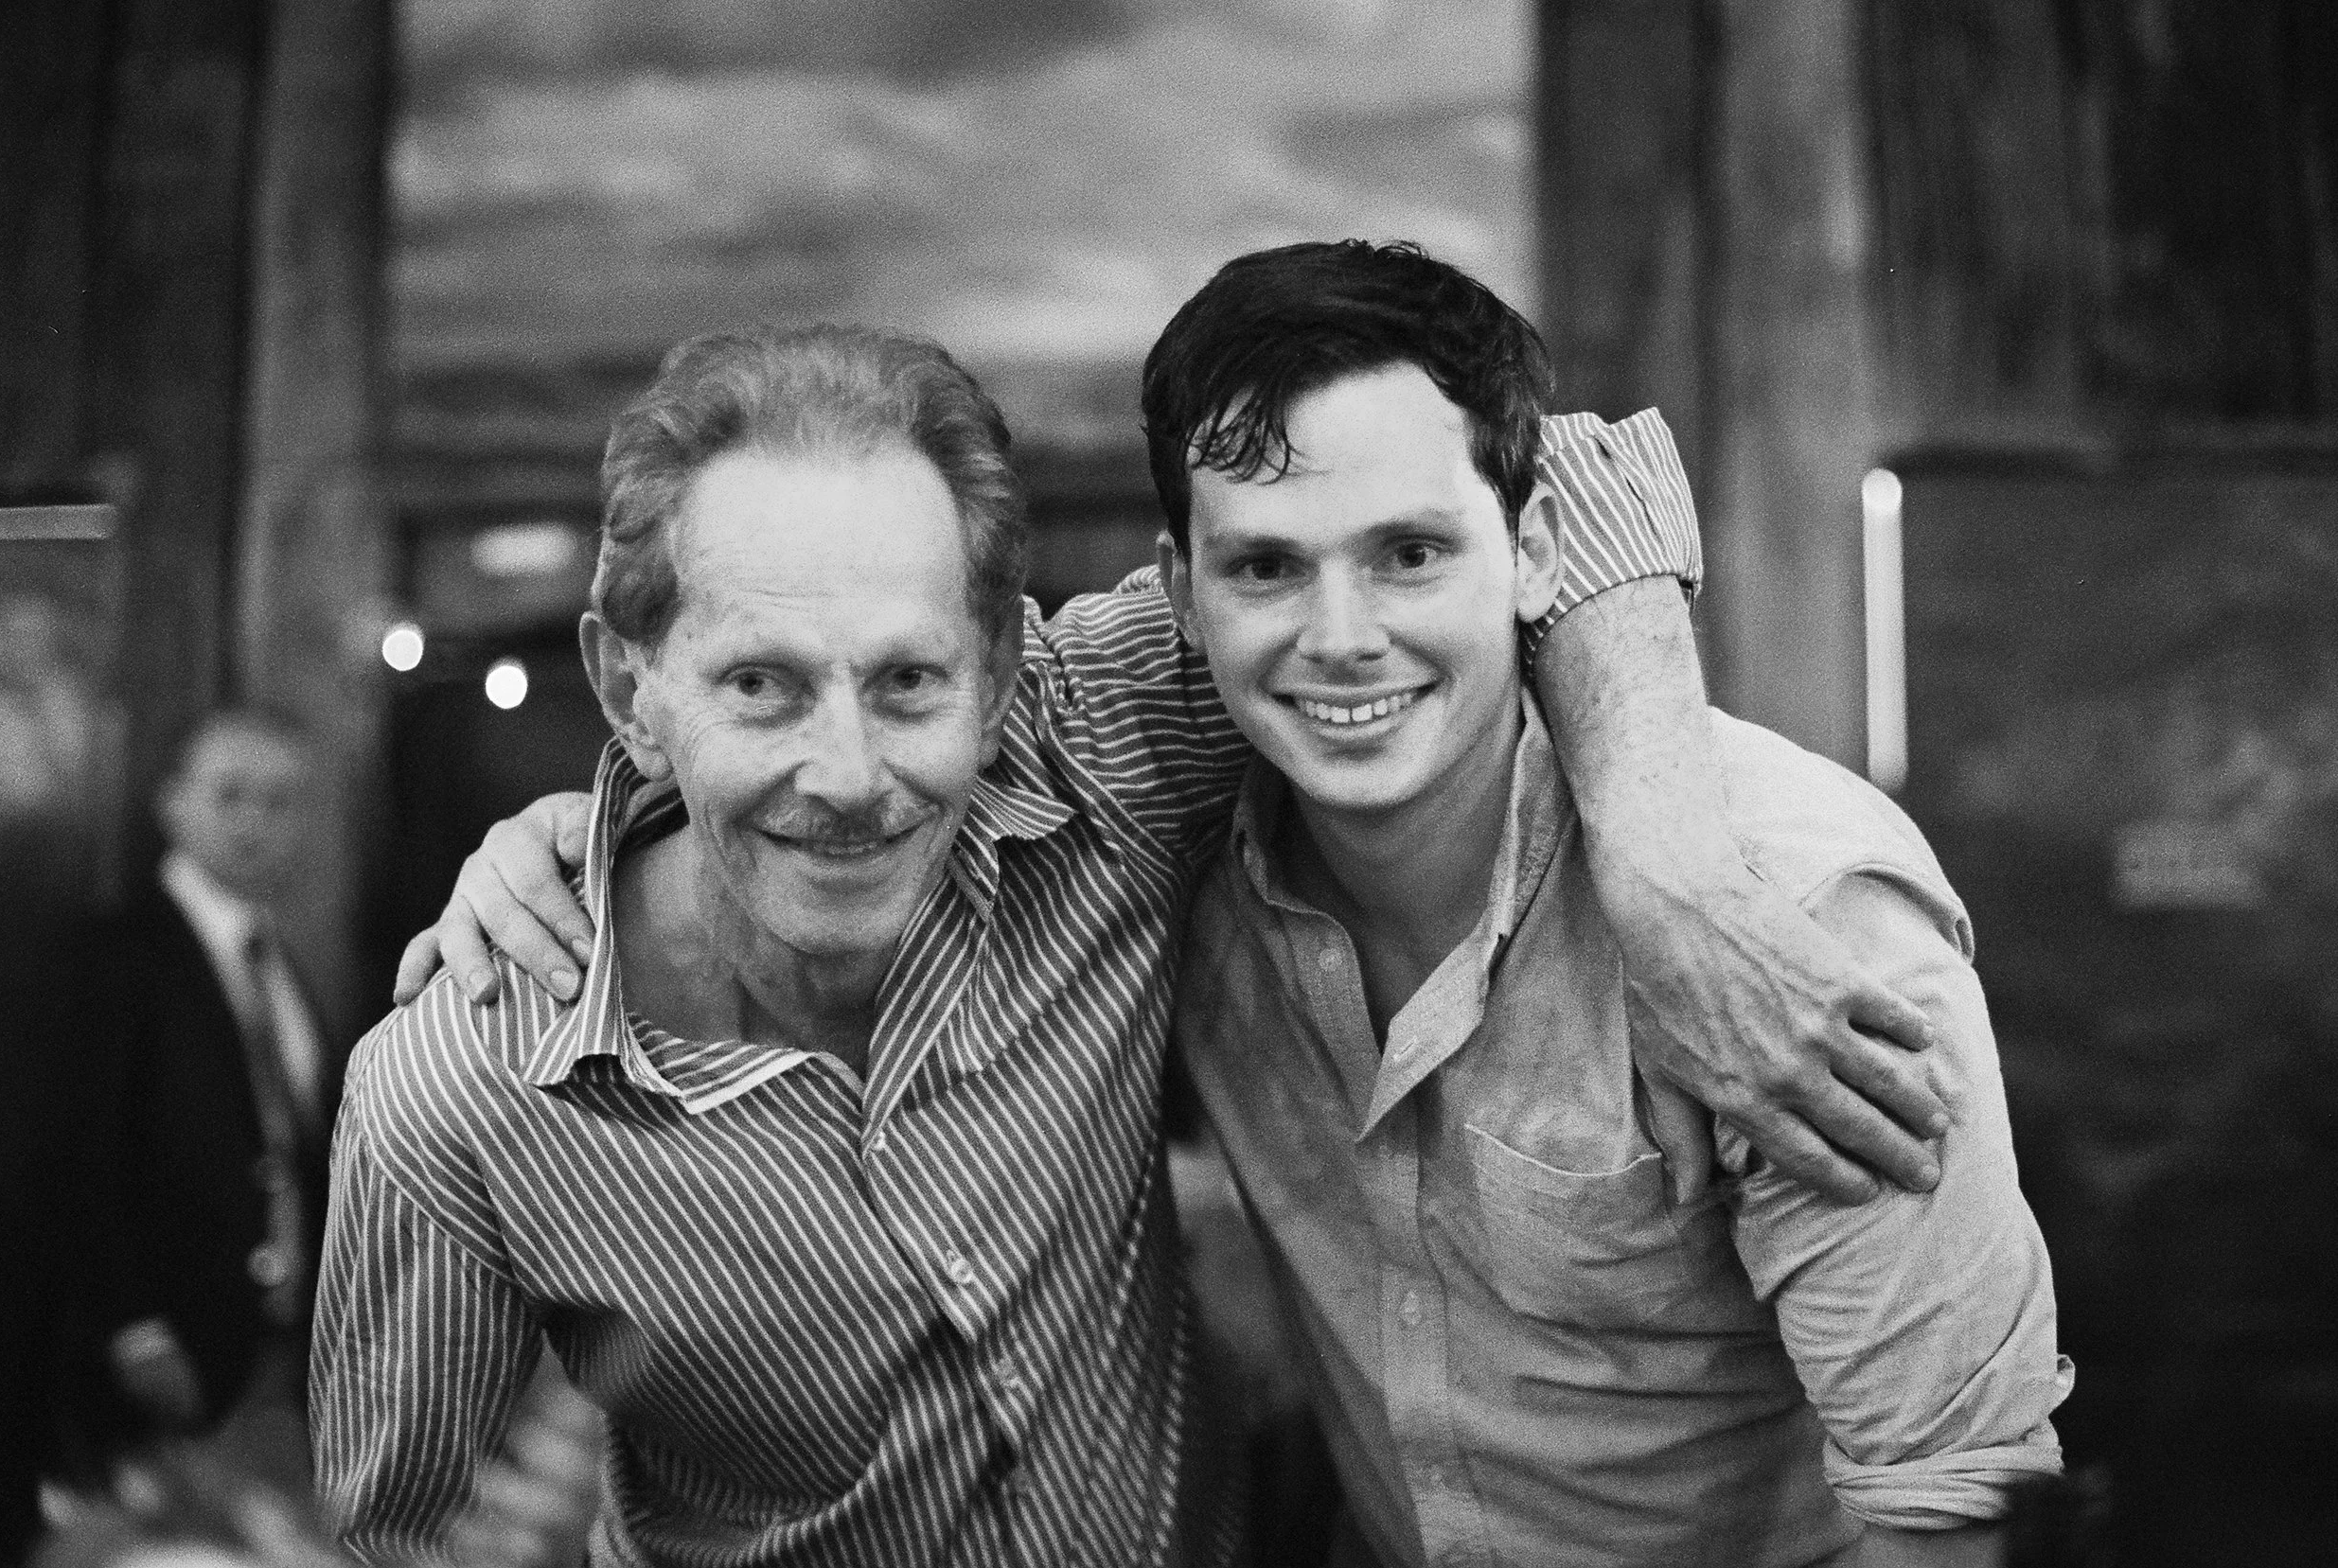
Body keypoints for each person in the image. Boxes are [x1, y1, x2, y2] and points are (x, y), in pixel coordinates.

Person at [345, 280, 1956, 1560]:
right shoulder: (451, 1095)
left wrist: (1666, 855)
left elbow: (1557, 491)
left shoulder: (1098, 742)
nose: (846, 773)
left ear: (999, 665)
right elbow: (391, 1544)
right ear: (628, 685)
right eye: (760, 685)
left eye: (909, 679)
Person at [1151, 242, 2069, 1565]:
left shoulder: (1795, 917)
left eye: (1409, 553)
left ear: (1534, 552)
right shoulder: (1177, 847)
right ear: (1181, 591)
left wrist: (1666, 875)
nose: (1340, 633)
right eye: (1265, 570)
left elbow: (1949, 1511)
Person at [97, 708, 334, 1483]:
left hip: (275, 1346)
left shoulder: (277, 962)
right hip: (161, 1346)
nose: (255, 823)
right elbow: (79, 1154)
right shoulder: (120, 951)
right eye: (230, 796)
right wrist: (131, 1326)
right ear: (173, 803)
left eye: (279, 801)